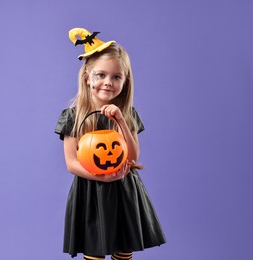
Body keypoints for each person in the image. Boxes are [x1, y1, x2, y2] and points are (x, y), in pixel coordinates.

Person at [54, 28, 166, 260]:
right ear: (87, 76)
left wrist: (122, 122)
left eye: (116, 77)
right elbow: (71, 162)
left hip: (124, 190)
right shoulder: (73, 116)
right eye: (101, 75)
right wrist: (101, 178)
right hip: (90, 191)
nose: (108, 82)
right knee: (94, 252)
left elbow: (132, 157)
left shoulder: (127, 114)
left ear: (125, 81)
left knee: (123, 251)